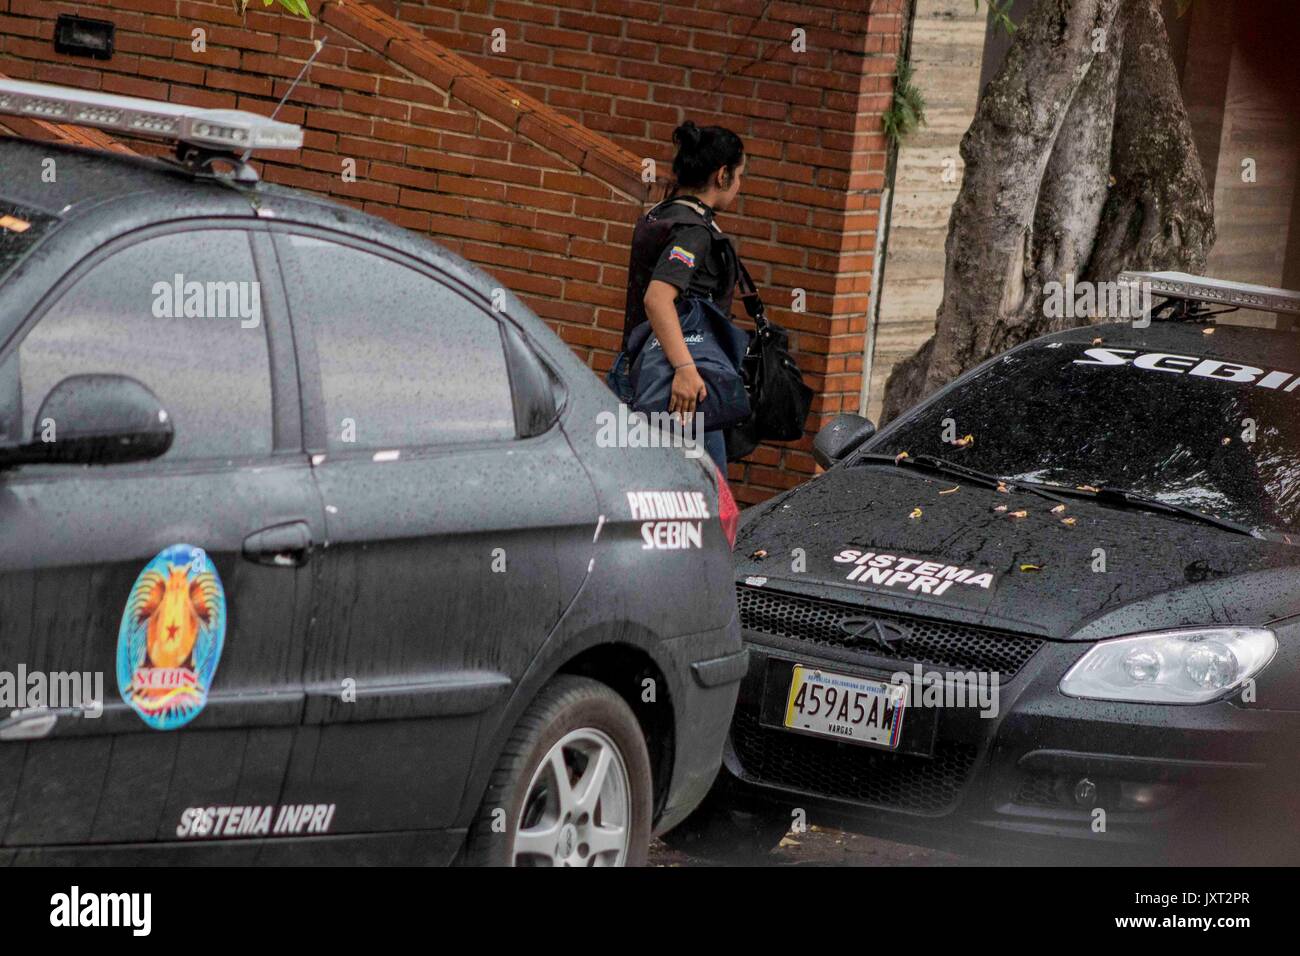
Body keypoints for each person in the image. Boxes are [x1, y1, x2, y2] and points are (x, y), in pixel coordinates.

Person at [609, 120, 746, 470]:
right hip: (676, 387)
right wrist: (685, 369)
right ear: (722, 174)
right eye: (740, 176)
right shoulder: (693, 232)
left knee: (644, 490)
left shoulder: (662, 215)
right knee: (704, 501)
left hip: (638, 368)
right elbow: (657, 298)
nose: (739, 186)